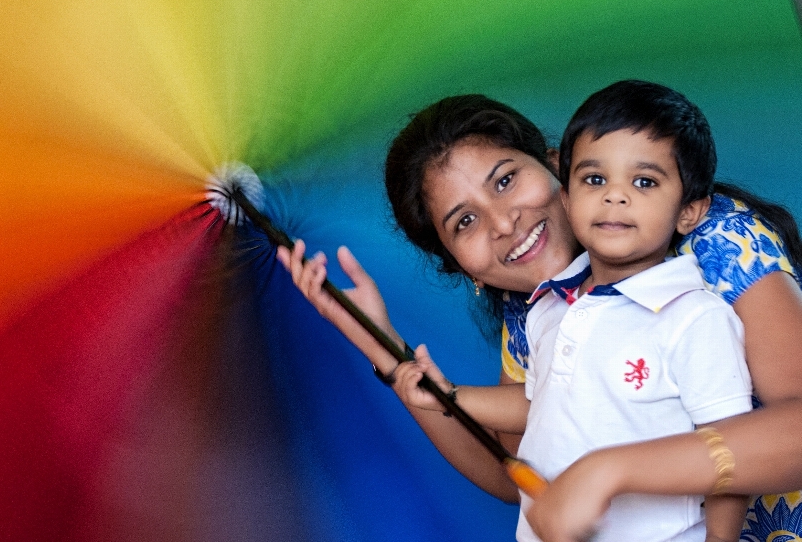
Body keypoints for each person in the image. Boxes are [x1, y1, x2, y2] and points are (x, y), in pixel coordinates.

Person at [276, 83, 802, 541]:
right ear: (465, 269)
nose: (503, 223)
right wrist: (382, 346)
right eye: (464, 222)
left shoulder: (710, 239)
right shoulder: (536, 315)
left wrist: (610, 472)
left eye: (504, 180)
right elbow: (515, 475)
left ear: (557, 166)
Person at [394, 79, 753, 541]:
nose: (615, 197)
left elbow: (732, 455)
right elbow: (537, 401)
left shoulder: (696, 316)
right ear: (571, 192)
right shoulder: (548, 309)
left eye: (643, 182)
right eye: (596, 180)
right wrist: (448, 395)